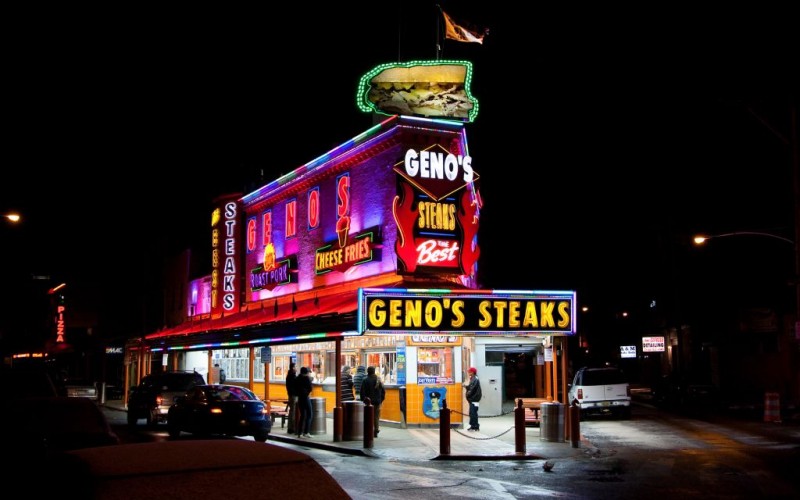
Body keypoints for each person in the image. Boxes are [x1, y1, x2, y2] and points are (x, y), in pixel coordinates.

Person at [359, 366, 385, 437]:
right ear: (374, 371)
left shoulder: (365, 380)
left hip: (368, 403)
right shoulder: (378, 380)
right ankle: (376, 430)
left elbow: (362, 392)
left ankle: (369, 430)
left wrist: (363, 400)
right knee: (376, 417)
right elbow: (383, 392)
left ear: (368, 372)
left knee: (368, 416)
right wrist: (381, 400)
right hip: (377, 402)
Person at [296, 366, 313, 438]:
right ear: (306, 372)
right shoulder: (306, 378)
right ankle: (306, 432)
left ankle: (299, 433)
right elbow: (310, 388)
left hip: (300, 398)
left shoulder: (297, 378)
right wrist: (306, 393)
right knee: (309, 414)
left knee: (302, 415)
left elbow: (294, 388)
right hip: (305, 398)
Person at [465, 367, 482, 431]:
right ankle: (474, 425)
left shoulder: (475, 379)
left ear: (472, 372)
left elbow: (472, 388)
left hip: (474, 399)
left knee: (473, 412)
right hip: (474, 399)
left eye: (469, 371)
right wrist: (466, 386)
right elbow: (470, 387)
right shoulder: (473, 378)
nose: (468, 372)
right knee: (473, 412)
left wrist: (468, 394)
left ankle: (474, 426)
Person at [285, 362, 298, 434]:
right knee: (293, 411)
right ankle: (292, 428)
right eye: (295, 367)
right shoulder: (292, 376)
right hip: (293, 395)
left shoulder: (289, 375)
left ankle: (290, 427)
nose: (296, 368)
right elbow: (295, 386)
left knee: (292, 411)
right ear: (293, 368)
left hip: (291, 395)